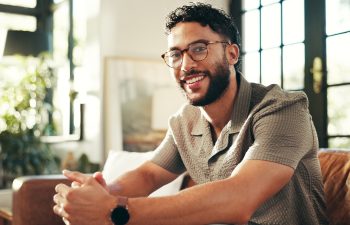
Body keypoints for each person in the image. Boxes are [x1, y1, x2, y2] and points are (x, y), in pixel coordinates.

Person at [53, 3, 328, 225]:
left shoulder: (283, 108)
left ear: (232, 54)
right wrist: (101, 194)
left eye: (199, 49)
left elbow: (239, 198)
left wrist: (114, 209)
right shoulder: (184, 121)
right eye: (175, 54)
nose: (186, 66)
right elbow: (149, 174)